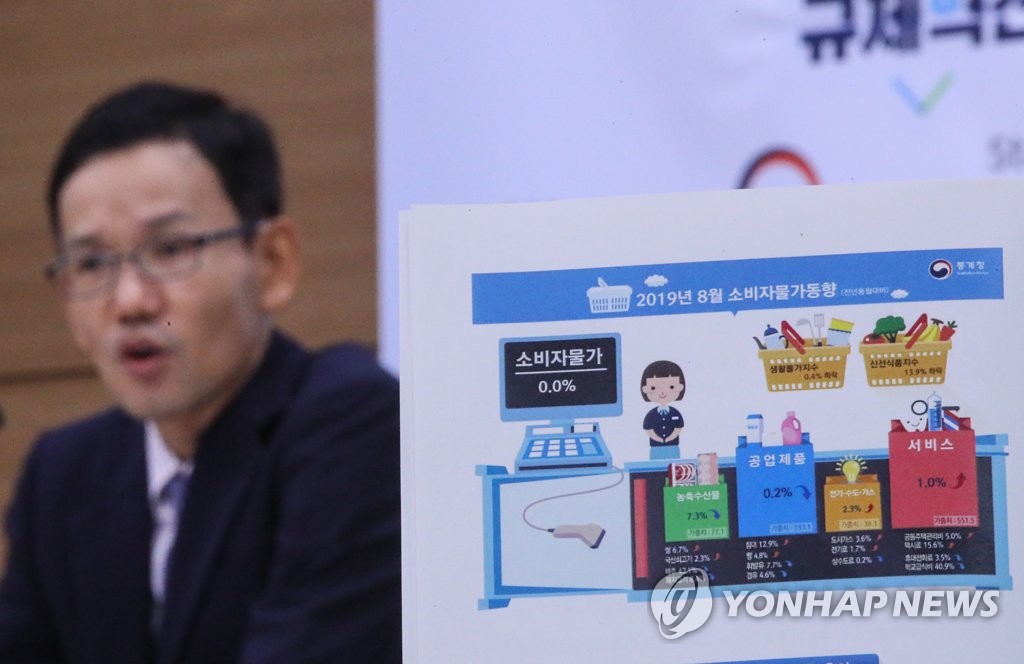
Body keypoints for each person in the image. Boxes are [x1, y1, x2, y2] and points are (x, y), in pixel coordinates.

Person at [0, 82, 401, 663]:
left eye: (169, 249)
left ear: (272, 263)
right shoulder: (63, 473)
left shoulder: (350, 420)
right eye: (90, 263)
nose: (130, 302)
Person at [640, 360, 686, 460]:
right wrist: (659, 439)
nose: (662, 392)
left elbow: (678, 428)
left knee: (674, 466)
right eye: (653, 388)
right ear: (645, 389)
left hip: (673, 446)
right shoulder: (651, 414)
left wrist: (669, 438)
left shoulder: (675, 413)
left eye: (671, 387)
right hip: (655, 448)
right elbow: (648, 429)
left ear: (680, 387)